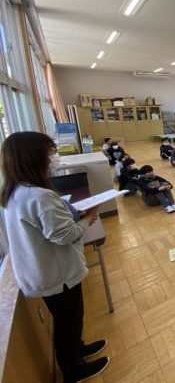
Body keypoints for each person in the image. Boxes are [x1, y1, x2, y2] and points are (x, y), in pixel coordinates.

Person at [0, 132, 110, 382]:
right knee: (68, 323)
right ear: (34, 158)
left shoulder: (15, 192)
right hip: (57, 275)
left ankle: (78, 350)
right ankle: (73, 370)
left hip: (41, 272)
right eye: (49, 153)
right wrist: (87, 219)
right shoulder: (40, 196)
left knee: (69, 320)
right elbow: (64, 235)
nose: (54, 158)